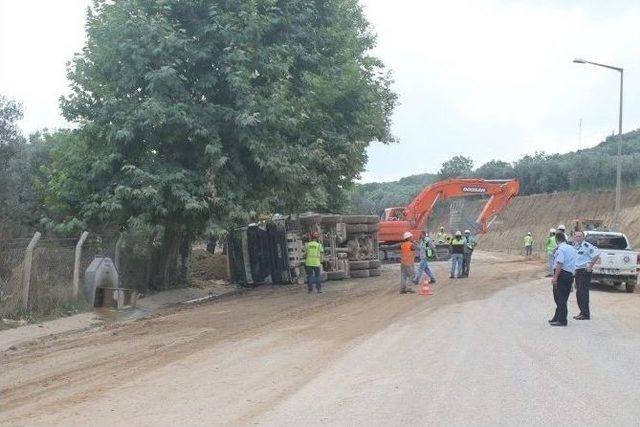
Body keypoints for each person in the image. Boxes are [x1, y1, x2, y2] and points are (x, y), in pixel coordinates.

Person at [549, 231, 576, 326]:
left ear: (557, 240)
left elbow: (559, 263)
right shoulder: (572, 248)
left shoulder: (561, 249)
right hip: (570, 275)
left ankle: (562, 320)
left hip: (562, 274)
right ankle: (557, 317)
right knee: (562, 298)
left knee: (559, 298)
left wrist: (555, 277)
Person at [572, 231, 600, 320]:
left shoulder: (587, 246)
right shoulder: (575, 246)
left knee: (583, 292)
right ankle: (582, 312)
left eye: (580, 236)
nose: (578, 238)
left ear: (583, 237)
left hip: (584, 271)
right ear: (574, 237)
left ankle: (585, 314)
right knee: (579, 292)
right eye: (576, 236)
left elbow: (596, 254)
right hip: (578, 271)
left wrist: (591, 265)